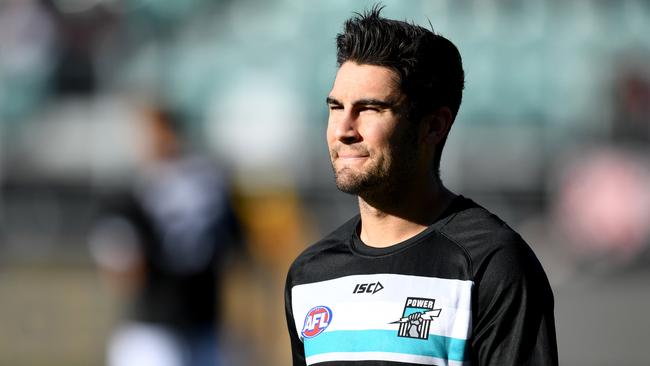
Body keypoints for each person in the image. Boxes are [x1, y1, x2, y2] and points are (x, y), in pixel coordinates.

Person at [285, 6, 558, 366]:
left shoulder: (491, 262)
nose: (343, 130)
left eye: (369, 108)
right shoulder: (309, 274)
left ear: (434, 126)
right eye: (336, 107)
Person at [89, 106, 242, 366]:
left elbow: (236, 246)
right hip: (154, 323)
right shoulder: (131, 191)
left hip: (200, 319)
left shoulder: (207, 184)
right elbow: (122, 268)